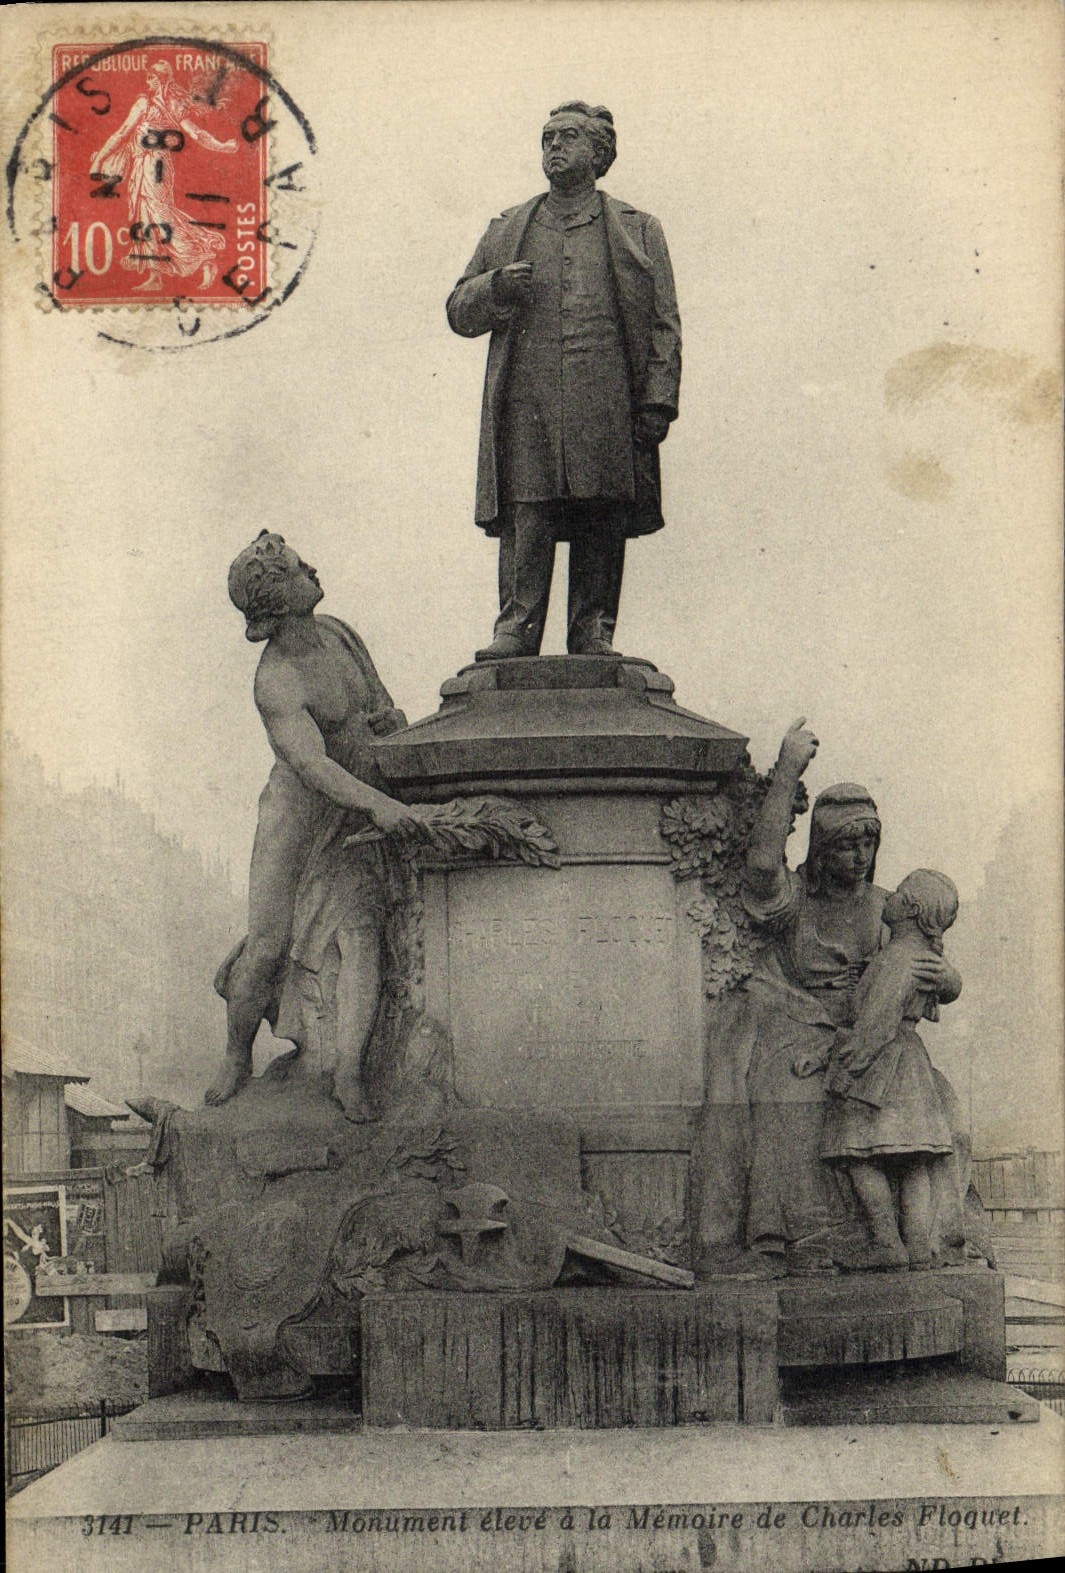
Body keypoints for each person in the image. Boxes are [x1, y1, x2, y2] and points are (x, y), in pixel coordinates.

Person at [691, 719, 959, 1276]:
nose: (859, 856)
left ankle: (907, 1241)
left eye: (868, 843)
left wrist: (942, 978)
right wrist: (787, 770)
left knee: (934, 1102)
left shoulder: (893, 908)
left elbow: (929, 978)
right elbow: (762, 865)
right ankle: (795, 1239)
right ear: (821, 845)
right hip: (796, 1021)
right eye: (845, 844)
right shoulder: (796, 900)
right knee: (787, 1091)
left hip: (871, 1038)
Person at [447, 102, 681, 660]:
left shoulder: (639, 229)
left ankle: (592, 629)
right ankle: (516, 628)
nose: (554, 146)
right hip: (528, 400)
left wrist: (657, 401)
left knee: (601, 507)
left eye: (569, 137)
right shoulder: (508, 229)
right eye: (547, 136)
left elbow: (664, 323)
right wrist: (495, 288)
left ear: (599, 154)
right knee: (528, 508)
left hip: (606, 398)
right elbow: (459, 309)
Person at [205, 533, 423, 1117]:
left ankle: (348, 1072)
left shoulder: (338, 633)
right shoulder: (275, 679)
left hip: (358, 805)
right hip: (297, 823)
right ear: (278, 599)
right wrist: (377, 804)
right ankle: (234, 1052)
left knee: (361, 935)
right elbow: (312, 765)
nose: (314, 567)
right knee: (267, 947)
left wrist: (401, 771)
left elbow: (381, 707)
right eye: (301, 568)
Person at [817, 869, 961, 1270]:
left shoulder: (895, 960)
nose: (888, 898)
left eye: (896, 894)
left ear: (910, 909)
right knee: (913, 1160)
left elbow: (876, 1022)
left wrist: (847, 1067)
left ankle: (885, 1241)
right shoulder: (919, 959)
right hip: (911, 1062)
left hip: (882, 1063)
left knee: (856, 1153)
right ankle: (917, 1247)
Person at [90, 60, 238, 292]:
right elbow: (197, 134)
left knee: (161, 217)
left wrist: (99, 159)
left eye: (150, 77)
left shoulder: (150, 103)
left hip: (154, 167)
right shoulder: (166, 104)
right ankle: (155, 277)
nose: (147, 81)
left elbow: (122, 133)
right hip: (146, 167)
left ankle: (203, 257)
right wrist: (223, 146)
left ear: (158, 79)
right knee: (146, 219)